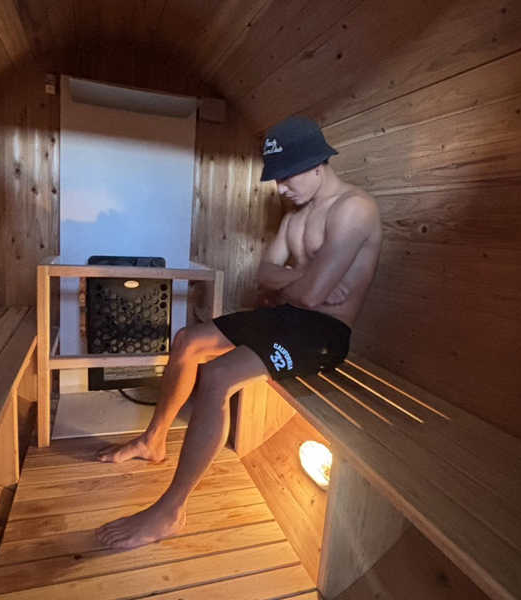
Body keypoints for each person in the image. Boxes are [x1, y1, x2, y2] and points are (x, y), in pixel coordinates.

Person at [95, 115, 383, 550]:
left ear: (316, 164)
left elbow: (310, 298)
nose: (280, 188)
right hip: (286, 317)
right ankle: (153, 441)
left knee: (217, 376)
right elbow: (263, 274)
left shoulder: (355, 209)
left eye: (286, 176)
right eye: (277, 178)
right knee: (187, 341)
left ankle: (171, 510)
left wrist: (294, 283)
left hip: (323, 333)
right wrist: (300, 278)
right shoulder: (295, 219)